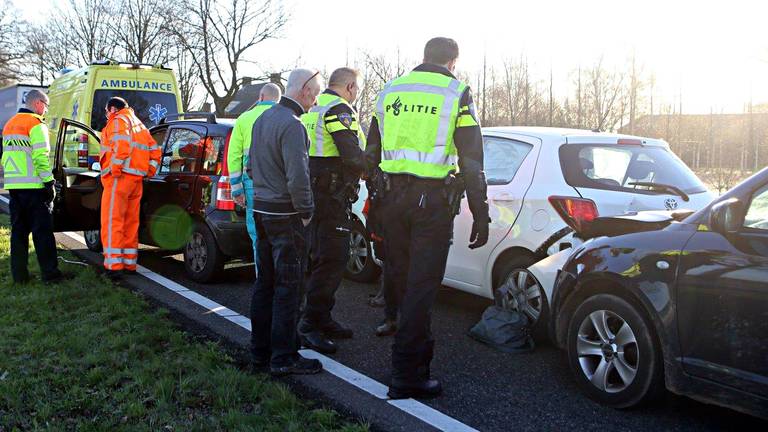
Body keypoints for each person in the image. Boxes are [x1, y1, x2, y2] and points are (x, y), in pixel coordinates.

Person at [367, 37, 490, 399]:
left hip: (391, 199)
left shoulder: (390, 90)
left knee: (401, 276)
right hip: (430, 202)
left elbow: (370, 152)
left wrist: (373, 199)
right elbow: (471, 159)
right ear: (453, 61)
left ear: (424, 57)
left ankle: (404, 356)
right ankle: (407, 374)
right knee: (422, 285)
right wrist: (480, 211)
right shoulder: (456, 92)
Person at [247, 68, 324, 376]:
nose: (316, 99)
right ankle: (284, 357)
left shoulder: (262, 118)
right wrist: (306, 212)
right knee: (288, 288)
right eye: (315, 92)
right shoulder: (293, 126)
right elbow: (298, 177)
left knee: (265, 284)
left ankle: (260, 353)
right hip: (286, 215)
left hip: (262, 211)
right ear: (303, 91)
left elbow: (251, 166)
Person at [298, 67, 367, 354]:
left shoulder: (314, 107)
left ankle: (321, 317)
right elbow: (352, 156)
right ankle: (310, 324)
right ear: (350, 87)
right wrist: (371, 167)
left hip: (314, 190)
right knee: (332, 260)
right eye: (358, 89)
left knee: (318, 257)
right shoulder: (338, 109)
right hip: (331, 194)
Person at [2, 89, 70, 284]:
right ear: (39, 103)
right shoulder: (36, 124)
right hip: (34, 187)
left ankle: (20, 277)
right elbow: (40, 157)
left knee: (19, 233)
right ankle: (51, 275)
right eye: (46, 107)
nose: (46, 111)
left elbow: (5, 156)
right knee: (43, 233)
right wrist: (49, 183)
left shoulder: (10, 124)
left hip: (14, 187)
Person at [99, 96, 161, 279]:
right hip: (136, 180)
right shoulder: (140, 125)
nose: (106, 115)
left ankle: (114, 266)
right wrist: (149, 171)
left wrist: (115, 168)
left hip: (119, 178)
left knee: (112, 222)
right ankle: (129, 263)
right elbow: (155, 152)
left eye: (106, 111)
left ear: (112, 109)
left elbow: (122, 145)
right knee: (130, 222)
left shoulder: (118, 120)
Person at [229, 83, 282, 263]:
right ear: (278, 99)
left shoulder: (244, 118)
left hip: (252, 184)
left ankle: (263, 282)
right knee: (281, 238)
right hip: (280, 186)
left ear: (260, 97)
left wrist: (236, 189)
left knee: (258, 237)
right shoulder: (287, 118)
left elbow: (234, 156)